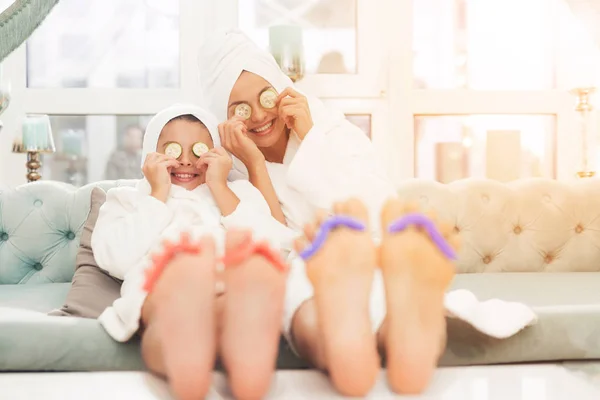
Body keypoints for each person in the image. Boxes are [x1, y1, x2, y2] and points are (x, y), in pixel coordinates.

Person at [197, 30, 458, 396]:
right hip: (308, 262)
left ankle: (387, 326)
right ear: (222, 119)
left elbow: (378, 207)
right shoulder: (226, 165)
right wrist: (255, 164)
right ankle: (390, 334)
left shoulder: (329, 128)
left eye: (265, 96)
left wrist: (311, 137)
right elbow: (272, 243)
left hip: (367, 251)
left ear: (283, 89)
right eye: (239, 109)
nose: (257, 115)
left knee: (307, 304)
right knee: (298, 285)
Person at [91, 104, 295, 400]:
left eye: (198, 151)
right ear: (151, 153)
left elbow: (277, 246)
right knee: (166, 313)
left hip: (228, 283)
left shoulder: (238, 194)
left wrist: (219, 187)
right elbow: (116, 259)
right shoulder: (130, 198)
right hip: (162, 287)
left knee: (236, 296)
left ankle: (245, 340)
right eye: (173, 150)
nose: (186, 161)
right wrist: (158, 194)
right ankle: (190, 335)